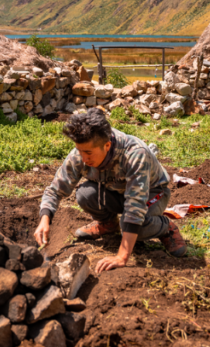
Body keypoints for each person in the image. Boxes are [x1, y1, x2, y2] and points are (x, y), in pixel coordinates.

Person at [34, 108, 186, 274]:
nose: (83, 158)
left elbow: (135, 206)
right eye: (79, 151)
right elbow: (55, 190)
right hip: (117, 191)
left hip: (152, 192)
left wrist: (122, 256)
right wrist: (45, 219)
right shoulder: (80, 154)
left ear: (107, 146)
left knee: (136, 227)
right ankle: (107, 224)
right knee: (85, 194)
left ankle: (165, 227)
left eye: (88, 153)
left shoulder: (134, 154)